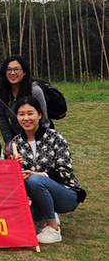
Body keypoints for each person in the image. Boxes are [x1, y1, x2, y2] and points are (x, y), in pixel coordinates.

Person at [10, 96, 85, 244]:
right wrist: (14, 167)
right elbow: (16, 181)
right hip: (34, 197)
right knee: (22, 212)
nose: (26, 118)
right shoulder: (15, 143)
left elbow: (66, 171)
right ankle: (44, 216)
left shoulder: (54, 137)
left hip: (65, 193)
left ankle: (53, 228)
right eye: (21, 114)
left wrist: (40, 175)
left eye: (30, 113)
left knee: (35, 180)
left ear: (39, 115)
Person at [0, 54, 49, 146]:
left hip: (39, 136)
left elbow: (43, 120)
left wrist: (39, 144)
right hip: (16, 136)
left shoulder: (35, 91)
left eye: (16, 69)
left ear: (24, 72)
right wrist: (9, 143)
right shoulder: (0, 91)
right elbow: (2, 119)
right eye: (8, 69)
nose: (12, 73)